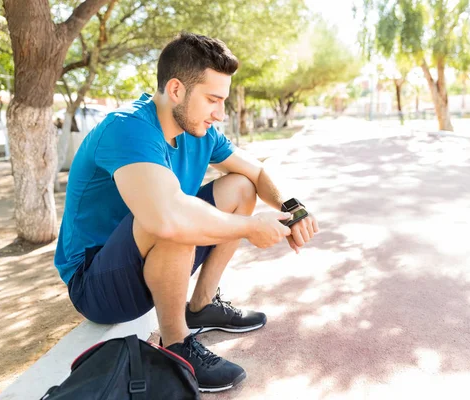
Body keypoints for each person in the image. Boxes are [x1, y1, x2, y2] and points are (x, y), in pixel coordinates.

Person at [53, 32, 319, 392]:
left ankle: (201, 305)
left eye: (222, 100)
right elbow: (168, 217)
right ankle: (176, 345)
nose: (220, 113)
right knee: (175, 216)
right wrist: (250, 227)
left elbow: (255, 171)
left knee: (239, 186)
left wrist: (293, 207)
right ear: (176, 90)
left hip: (149, 259)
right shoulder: (127, 127)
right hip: (95, 284)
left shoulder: (200, 133)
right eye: (212, 99)